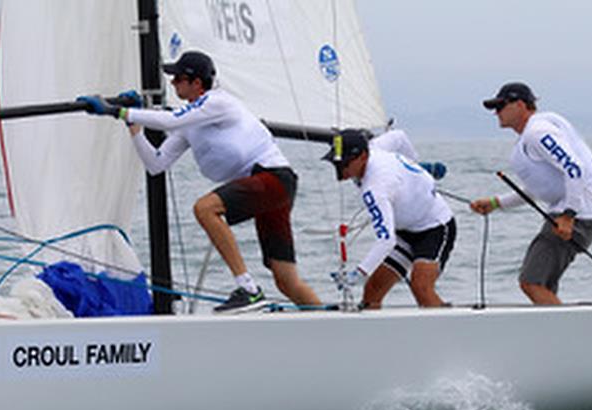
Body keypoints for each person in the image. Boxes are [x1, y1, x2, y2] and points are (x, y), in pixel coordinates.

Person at [78, 50, 320, 313]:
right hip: (266, 186)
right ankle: (329, 326)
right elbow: (155, 164)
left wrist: (118, 111)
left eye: (178, 78)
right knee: (286, 279)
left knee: (205, 209)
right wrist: (133, 126)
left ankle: (249, 289)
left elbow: (169, 119)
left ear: (196, 83)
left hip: (273, 177)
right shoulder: (189, 123)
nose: (172, 84)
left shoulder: (217, 102)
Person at [471, 82, 592, 305]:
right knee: (542, 286)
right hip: (573, 214)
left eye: (501, 105)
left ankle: (572, 333)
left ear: (521, 105)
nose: (496, 112)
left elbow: (574, 168)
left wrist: (568, 215)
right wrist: (496, 203)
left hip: (575, 216)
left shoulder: (537, 132)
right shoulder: (531, 135)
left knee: (532, 283)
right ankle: (581, 322)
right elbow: (538, 189)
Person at [323, 129, 456, 309]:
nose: (340, 171)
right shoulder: (374, 147)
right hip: (405, 232)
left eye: (345, 164)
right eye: (336, 164)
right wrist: (416, 165)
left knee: (421, 287)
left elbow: (385, 240)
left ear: (362, 156)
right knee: (372, 291)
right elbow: (399, 136)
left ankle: (447, 333)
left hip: (435, 227)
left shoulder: (376, 187)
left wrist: (360, 274)